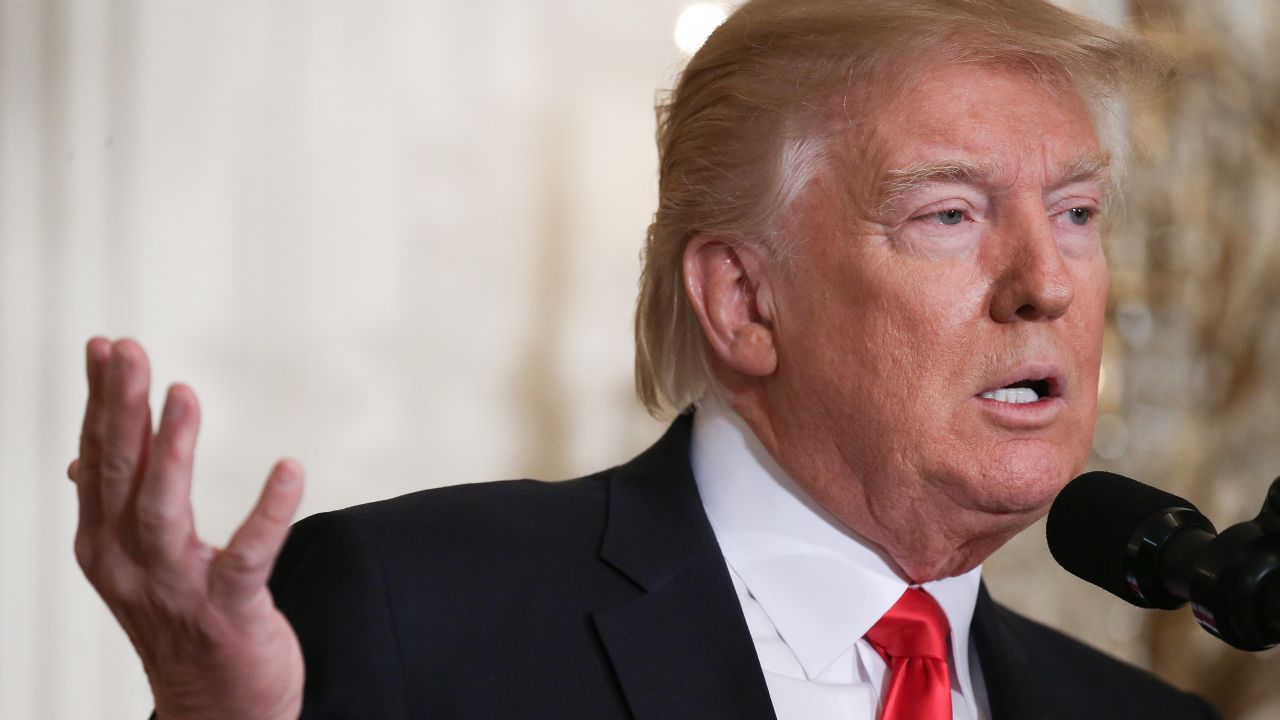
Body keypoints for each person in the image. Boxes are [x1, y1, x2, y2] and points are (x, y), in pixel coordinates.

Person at [70, 0, 1222, 718]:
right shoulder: (415, 612)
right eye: (948, 216)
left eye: (1074, 212)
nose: (1049, 283)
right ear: (742, 300)